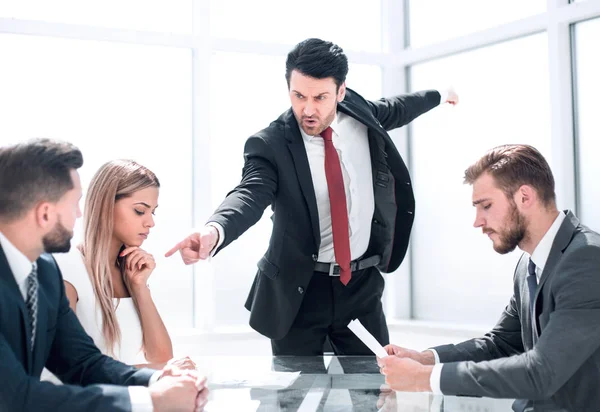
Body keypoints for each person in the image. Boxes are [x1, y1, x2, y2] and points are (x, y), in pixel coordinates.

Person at [166, 38, 458, 356]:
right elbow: (250, 193)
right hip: (299, 292)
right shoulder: (271, 143)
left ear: (341, 92)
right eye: (298, 95)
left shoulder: (360, 114)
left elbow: (398, 108)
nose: (308, 109)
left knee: (372, 395)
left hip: (360, 288)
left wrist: (442, 95)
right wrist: (214, 230)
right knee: (289, 401)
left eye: (320, 97)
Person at [378, 144, 600, 412]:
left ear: (525, 197)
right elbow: (501, 344)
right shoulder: (528, 265)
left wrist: (424, 378)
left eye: (486, 206)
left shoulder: (587, 259)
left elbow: (542, 372)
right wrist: (425, 360)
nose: (477, 221)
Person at [0, 138, 208, 412]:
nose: (79, 213)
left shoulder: (45, 273)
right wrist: (153, 401)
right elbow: (14, 397)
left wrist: (159, 379)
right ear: (45, 213)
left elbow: (83, 362)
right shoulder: (63, 270)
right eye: (74, 204)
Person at [54, 160, 195, 370]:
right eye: (140, 211)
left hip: (120, 399)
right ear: (106, 205)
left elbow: (161, 357)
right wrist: (156, 373)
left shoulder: (129, 272)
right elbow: (68, 366)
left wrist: (139, 288)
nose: (150, 222)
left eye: (153, 212)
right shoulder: (67, 268)